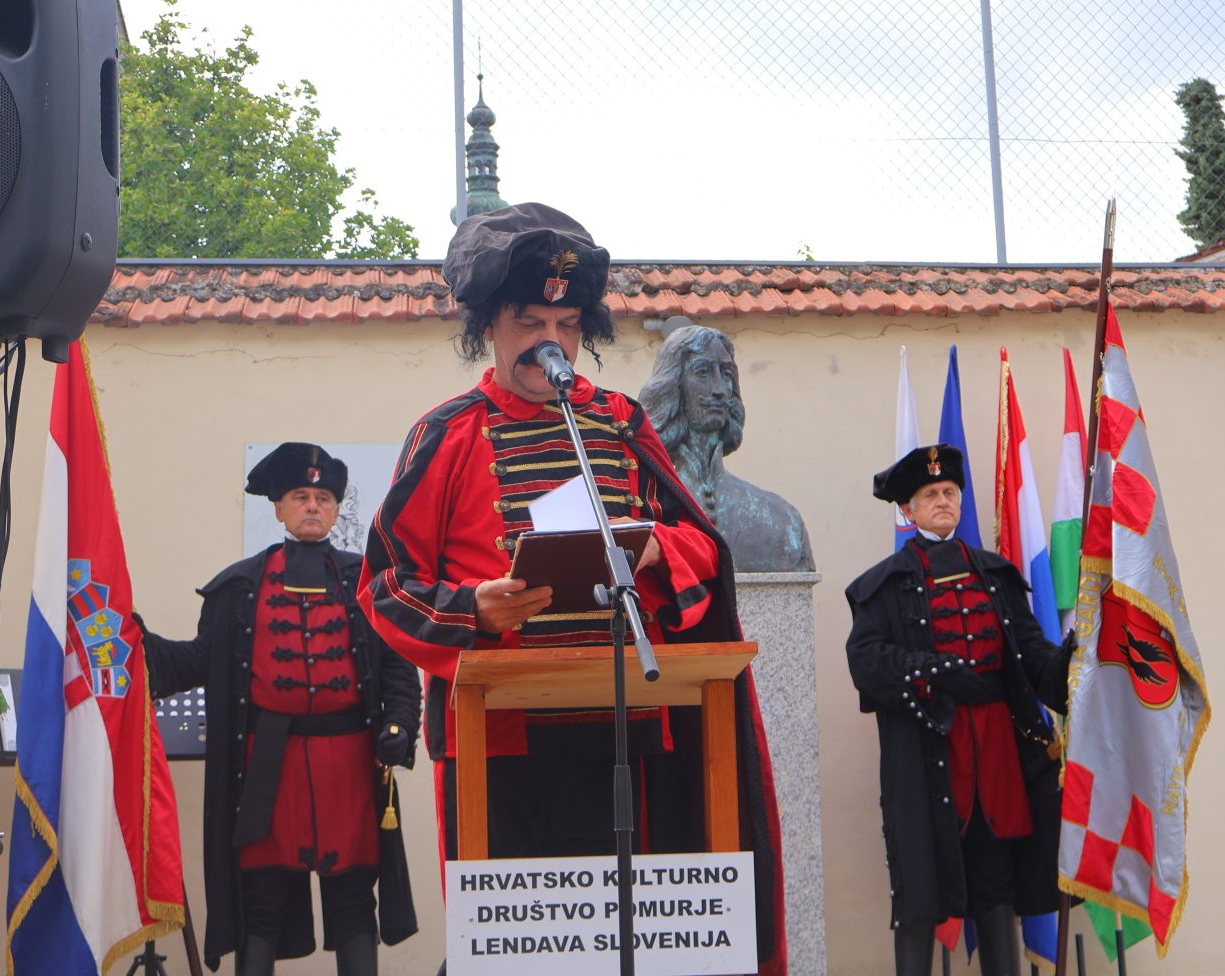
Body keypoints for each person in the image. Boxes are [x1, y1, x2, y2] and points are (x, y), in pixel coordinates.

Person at [356, 201, 786, 976]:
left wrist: (652, 548)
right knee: (519, 959)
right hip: (498, 738)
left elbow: (701, 549)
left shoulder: (620, 424)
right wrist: (471, 609)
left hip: (626, 726)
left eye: (566, 324)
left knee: (636, 950)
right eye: (529, 322)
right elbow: (385, 584)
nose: (549, 341)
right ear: (489, 327)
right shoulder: (446, 434)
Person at [139, 443, 421, 976]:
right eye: (300, 496)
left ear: (335, 510)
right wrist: (133, 639)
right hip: (267, 768)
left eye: (323, 498)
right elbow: (195, 662)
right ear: (278, 509)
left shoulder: (370, 584)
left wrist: (399, 725)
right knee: (260, 901)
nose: (312, 506)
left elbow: (399, 671)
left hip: (349, 767)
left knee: (353, 898)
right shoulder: (238, 588)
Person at [844, 444, 1073, 976]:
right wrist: (931, 672)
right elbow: (867, 662)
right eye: (930, 494)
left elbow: (1032, 657)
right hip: (925, 757)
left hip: (997, 756)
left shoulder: (997, 575)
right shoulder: (882, 585)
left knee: (996, 887)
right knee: (919, 894)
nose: (942, 500)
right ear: (908, 510)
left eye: (949, 491)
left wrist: (1073, 657)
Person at [637, 323, 814, 572]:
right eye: (702, 372)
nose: (719, 389)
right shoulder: (641, 508)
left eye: (726, 374)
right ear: (672, 384)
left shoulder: (783, 522)